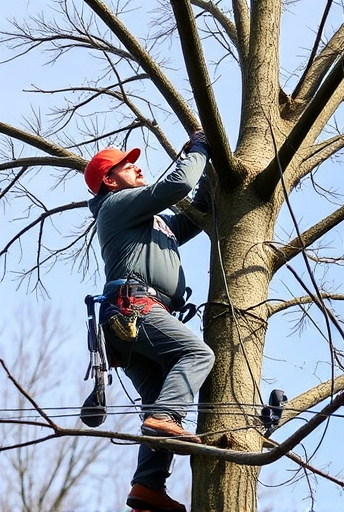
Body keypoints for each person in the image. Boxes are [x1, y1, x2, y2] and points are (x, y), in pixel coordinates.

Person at [84, 131, 215, 512]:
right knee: (197, 355)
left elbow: (196, 215)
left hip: (131, 322)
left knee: (158, 394)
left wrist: (213, 170)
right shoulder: (117, 204)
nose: (137, 166)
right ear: (110, 180)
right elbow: (179, 183)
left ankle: (147, 488)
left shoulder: (152, 222)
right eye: (128, 165)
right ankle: (166, 417)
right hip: (136, 309)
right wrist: (199, 150)